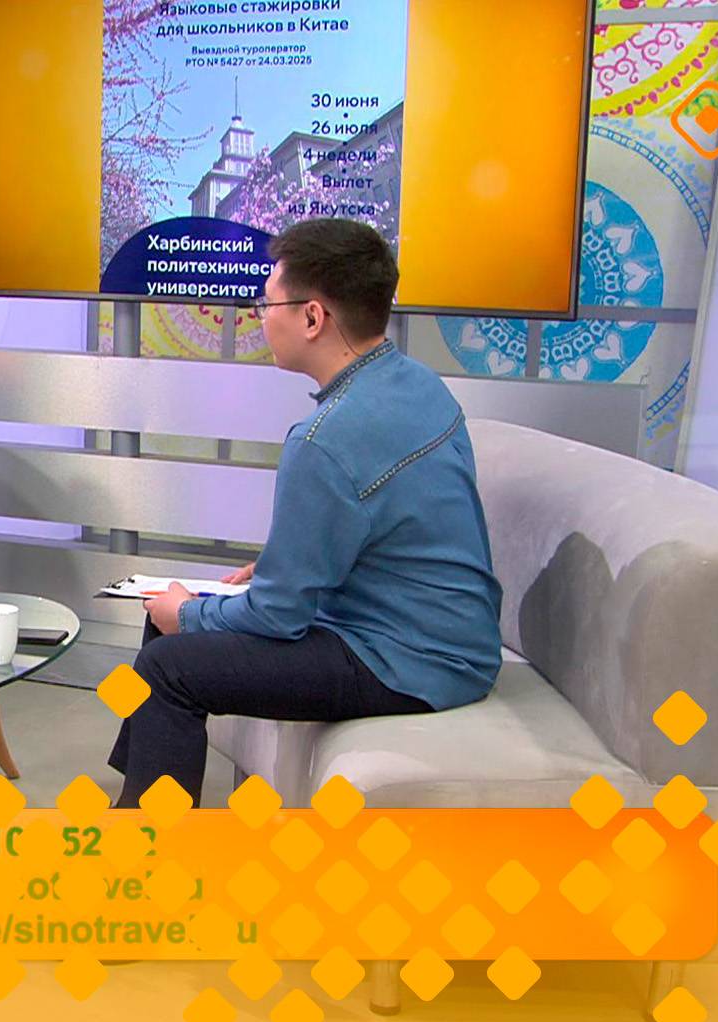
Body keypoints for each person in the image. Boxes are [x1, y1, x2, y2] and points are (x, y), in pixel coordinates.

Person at [108, 218, 503, 807]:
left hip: (405, 661)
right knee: (165, 619)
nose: (259, 318)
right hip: (444, 636)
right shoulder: (418, 385)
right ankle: (135, 801)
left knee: (168, 663)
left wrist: (191, 614)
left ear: (313, 317)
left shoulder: (324, 439)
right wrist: (273, 567)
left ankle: (155, 849)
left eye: (267, 305)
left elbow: (278, 617)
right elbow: (390, 527)